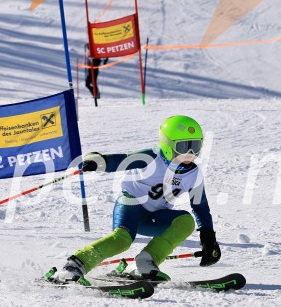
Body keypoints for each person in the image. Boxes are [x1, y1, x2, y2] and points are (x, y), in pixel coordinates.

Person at [50, 115, 222, 283]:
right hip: (131, 206)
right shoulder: (151, 157)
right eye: (184, 147)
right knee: (122, 240)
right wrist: (98, 160)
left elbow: (200, 206)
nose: (190, 153)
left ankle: (145, 261)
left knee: (186, 221)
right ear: (168, 145)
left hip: (155, 216)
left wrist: (208, 238)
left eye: (195, 146)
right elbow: (122, 160)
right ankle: (75, 264)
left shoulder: (193, 173)